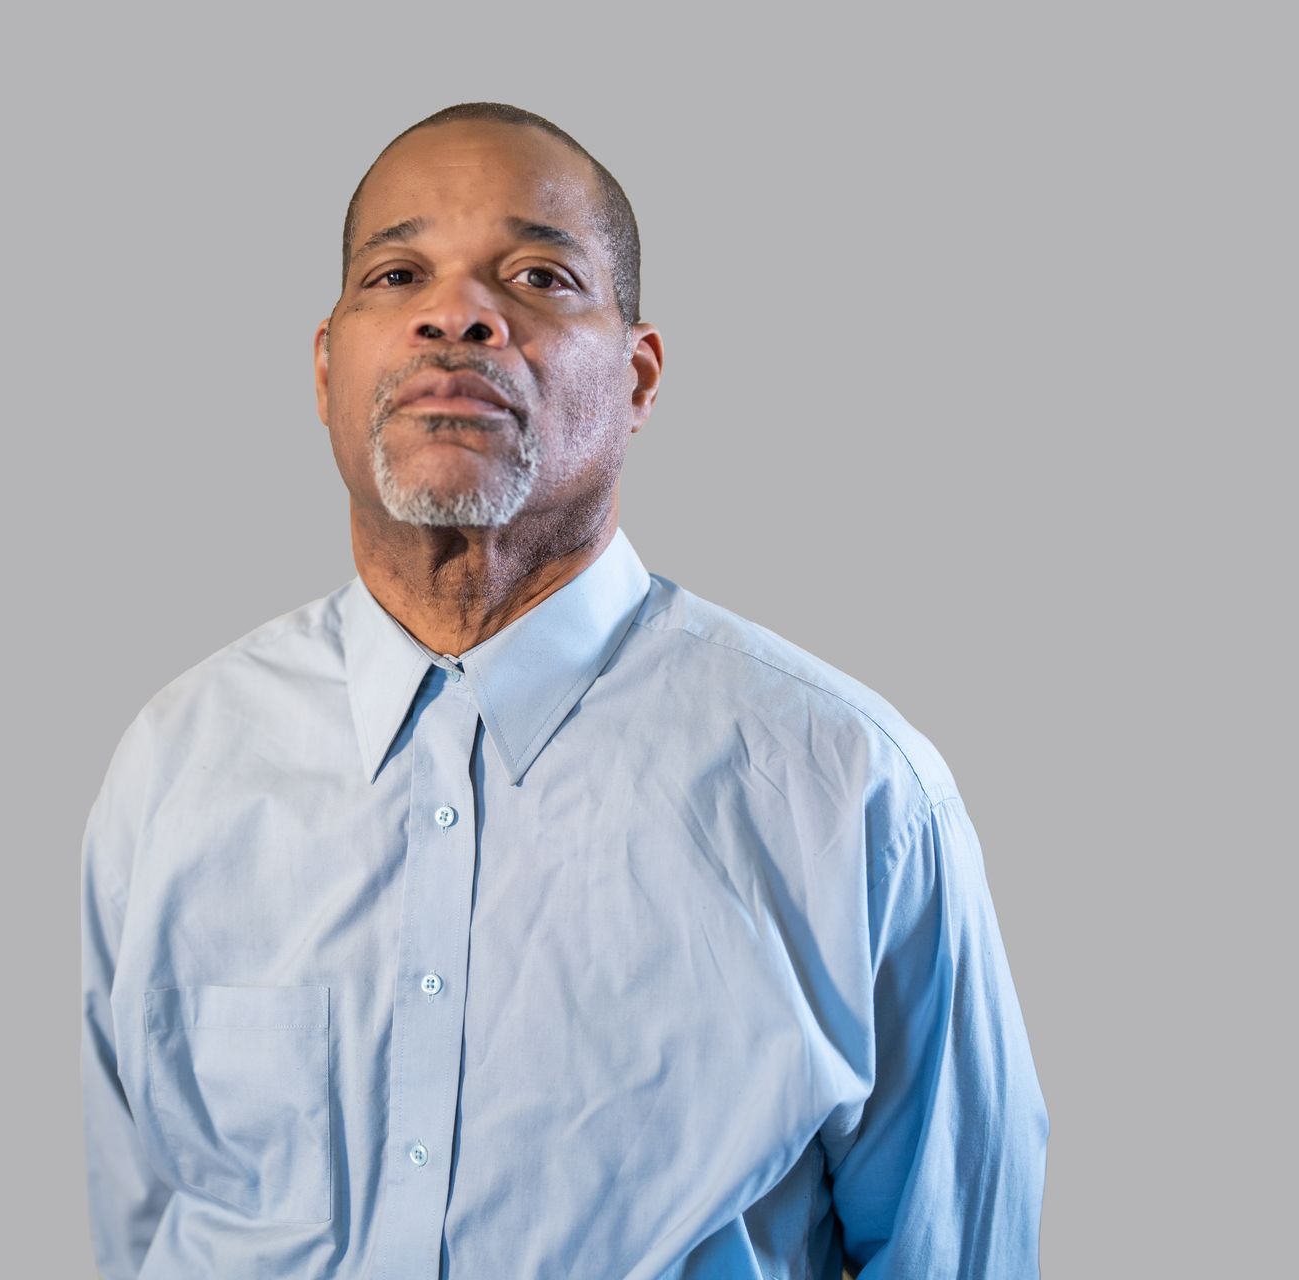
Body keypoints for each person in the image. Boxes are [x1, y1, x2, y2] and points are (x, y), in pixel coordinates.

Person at [78, 101, 1048, 1279]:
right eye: (397, 272)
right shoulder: (176, 762)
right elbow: (142, 1223)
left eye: (539, 274)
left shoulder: (852, 793)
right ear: (329, 368)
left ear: (639, 376)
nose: (457, 314)